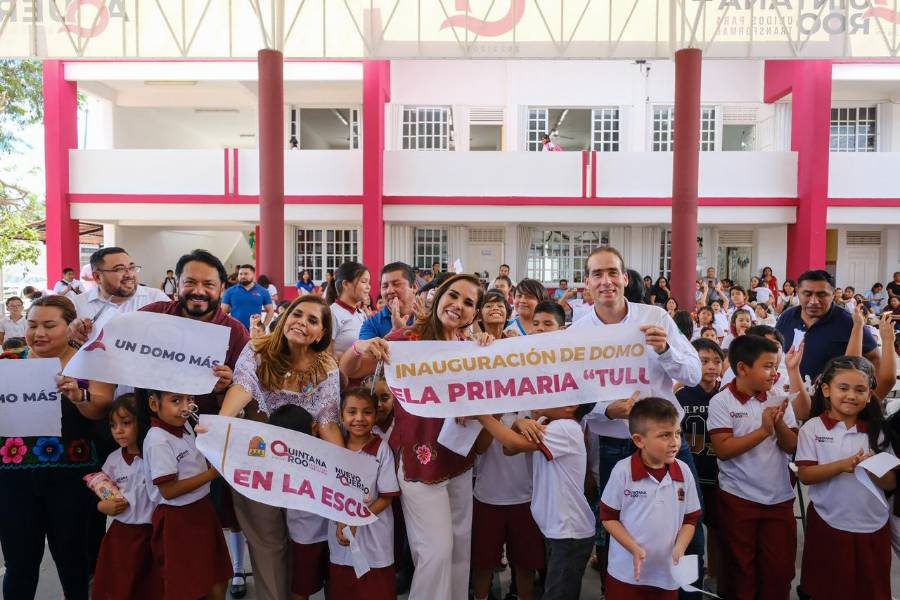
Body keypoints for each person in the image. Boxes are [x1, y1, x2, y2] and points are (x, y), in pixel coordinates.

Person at [340, 274, 492, 600]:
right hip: (419, 461)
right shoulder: (405, 340)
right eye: (453, 296)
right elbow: (350, 369)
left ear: (475, 313)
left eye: (469, 303)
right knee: (435, 553)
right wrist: (360, 346)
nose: (458, 306)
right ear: (439, 297)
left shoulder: (472, 348)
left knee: (460, 547)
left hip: (460, 458)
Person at [568, 246, 703, 581]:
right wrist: (606, 410)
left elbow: (694, 374)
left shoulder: (655, 318)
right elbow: (571, 395)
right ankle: (624, 587)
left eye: (613, 272)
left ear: (625, 278)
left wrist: (666, 350)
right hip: (613, 445)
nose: (606, 281)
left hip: (667, 442)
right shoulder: (576, 334)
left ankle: (687, 589)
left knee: (687, 523)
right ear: (587, 283)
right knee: (619, 528)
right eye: (597, 274)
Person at [0, 295, 114, 600]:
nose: (39, 333)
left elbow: (102, 407)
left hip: (73, 479)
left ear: (70, 326)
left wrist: (79, 397)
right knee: (19, 564)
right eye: (32, 325)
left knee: (75, 561)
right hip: (14, 481)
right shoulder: (8, 363)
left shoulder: (91, 361)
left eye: (49, 326)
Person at [708, 335, 807, 600]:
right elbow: (724, 449)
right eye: (768, 366)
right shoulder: (722, 402)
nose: (775, 373)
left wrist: (779, 422)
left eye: (776, 366)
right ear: (742, 368)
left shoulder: (778, 397)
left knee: (779, 569)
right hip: (738, 497)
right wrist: (764, 430)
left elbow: (792, 446)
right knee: (741, 569)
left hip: (779, 498)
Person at [796, 356, 896, 600]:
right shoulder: (812, 429)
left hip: (872, 524)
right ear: (826, 390)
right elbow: (806, 474)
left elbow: (892, 482)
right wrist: (843, 465)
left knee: (870, 588)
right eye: (843, 388)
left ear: (869, 394)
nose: (851, 395)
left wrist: (873, 468)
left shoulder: (878, 430)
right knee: (828, 587)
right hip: (828, 521)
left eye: (860, 390)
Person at [476, 399, 596, 600]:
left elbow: (513, 443)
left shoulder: (565, 428)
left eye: (552, 391)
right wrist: (518, 423)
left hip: (569, 532)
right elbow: (509, 450)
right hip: (558, 530)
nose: (543, 393)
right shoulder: (545, 422)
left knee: (558, 594)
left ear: (570, 406)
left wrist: (481, 414)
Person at [599, 398, 702, 599]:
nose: (674, 442)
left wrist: (680, 547)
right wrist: (634, 548)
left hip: (667, 575)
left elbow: (690, 519)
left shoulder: (684, 471)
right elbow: (608, 517)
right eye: (665, 435)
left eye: (677, 433)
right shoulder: (622, 471)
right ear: (639, 440)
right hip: (626, 573)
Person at [138, 388, 232, 600]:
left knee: (217, 575)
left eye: (189, 399)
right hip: (177, 520)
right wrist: (211, 474)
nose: (185, 407)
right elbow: (168, 490)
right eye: (175, 401)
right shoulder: (158, 440)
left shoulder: (186, 425)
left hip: (202, 510)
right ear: (154, 404)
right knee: (186, 584)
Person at [328, 388, 401, 599]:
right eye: (352, 412)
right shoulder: (333, 449)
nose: (359, 418)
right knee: (344, 588)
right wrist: (343, 520)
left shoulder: (381, 449)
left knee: (376, 590)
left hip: (375, 539)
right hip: (341, 536)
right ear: (341, 416)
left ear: (375, 415)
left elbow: (386, 497)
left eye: (367, 412)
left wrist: (356, 519)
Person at [92, 394, 161, 600]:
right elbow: (103, 495)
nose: (118, 430)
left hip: (154, 535)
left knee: (153, 588)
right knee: (122, 587)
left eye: (126, 423)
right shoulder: (113, 461)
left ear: (142, 421)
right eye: (113, 425)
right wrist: (103, 507)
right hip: (122, 537)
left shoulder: (156, 454)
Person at [268, 405, 328, 600]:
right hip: (311, 534)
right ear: (314, 428)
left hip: (306, 534)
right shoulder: (328, 453)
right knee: (304, 585)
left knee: (302, 586)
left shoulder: (280, 461)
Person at [676, 339, 724, 584]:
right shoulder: (680, 396)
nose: (711, 366)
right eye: (704, 361)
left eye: (716, 361)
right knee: (686, 529)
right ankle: (686, 580)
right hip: (689, 475)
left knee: (716, 529)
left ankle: (713, 577)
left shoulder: (725, 396)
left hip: (717, 475)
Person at [776, 270, 879, 382]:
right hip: (790, 390)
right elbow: (774, 352)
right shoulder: (787, 317)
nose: (814, 301)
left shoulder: (849, 322)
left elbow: (875, 358)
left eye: (822, 295)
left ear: (833, 294)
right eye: (807, 294)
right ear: (798, 292)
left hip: (831, 392)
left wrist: (869, 390)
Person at [70, 247, 170, 333]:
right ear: (97, 277)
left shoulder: (156, 299)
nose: (130, 274)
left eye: (132, 267)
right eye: (119, 269)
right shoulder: (77, 305)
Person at [359, 262, 418, 340]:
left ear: (414, 287)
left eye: (396, 284)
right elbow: (366, 347)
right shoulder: (371, 324)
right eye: (385, 286)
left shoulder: (428, 318)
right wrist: (395, 332)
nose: (389, 291)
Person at [329, 261, 371, 358]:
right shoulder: (332, 313)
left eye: (369, 283)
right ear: (346, 284)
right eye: (364, 282)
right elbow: (326, 356)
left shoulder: (362, 314)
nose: (368, 287)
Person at [222, 265, 274, 331]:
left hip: (255, 330)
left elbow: (270, 310)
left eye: (246, 274)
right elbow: (223, 312)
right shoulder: (230, 291)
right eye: (240, 274)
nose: (243, 276)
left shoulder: (263, 291)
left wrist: (263, 326)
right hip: (235, 330)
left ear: (253, 275)